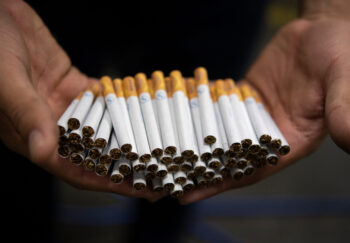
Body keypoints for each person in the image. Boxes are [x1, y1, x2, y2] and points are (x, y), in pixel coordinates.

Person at [0, 0, 349, 204]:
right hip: (58, 11)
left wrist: (329, 12)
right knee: (32, 121)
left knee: (181, 182)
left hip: (214, 12)